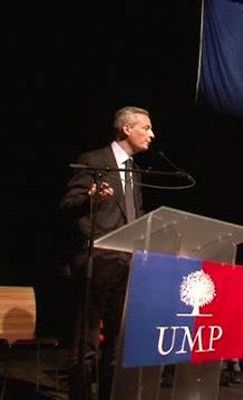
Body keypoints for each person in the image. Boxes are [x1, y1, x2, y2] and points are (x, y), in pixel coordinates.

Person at [60, 106, 155, 400]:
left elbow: (135, 215)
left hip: (126, 264)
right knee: (86, 343)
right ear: (127, 128)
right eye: (147, 128)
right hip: (96, 260)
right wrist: (90, 196)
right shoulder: (94, 161)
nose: (152, 134)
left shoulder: (135, 171)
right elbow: (67, 204)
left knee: (116, 342)